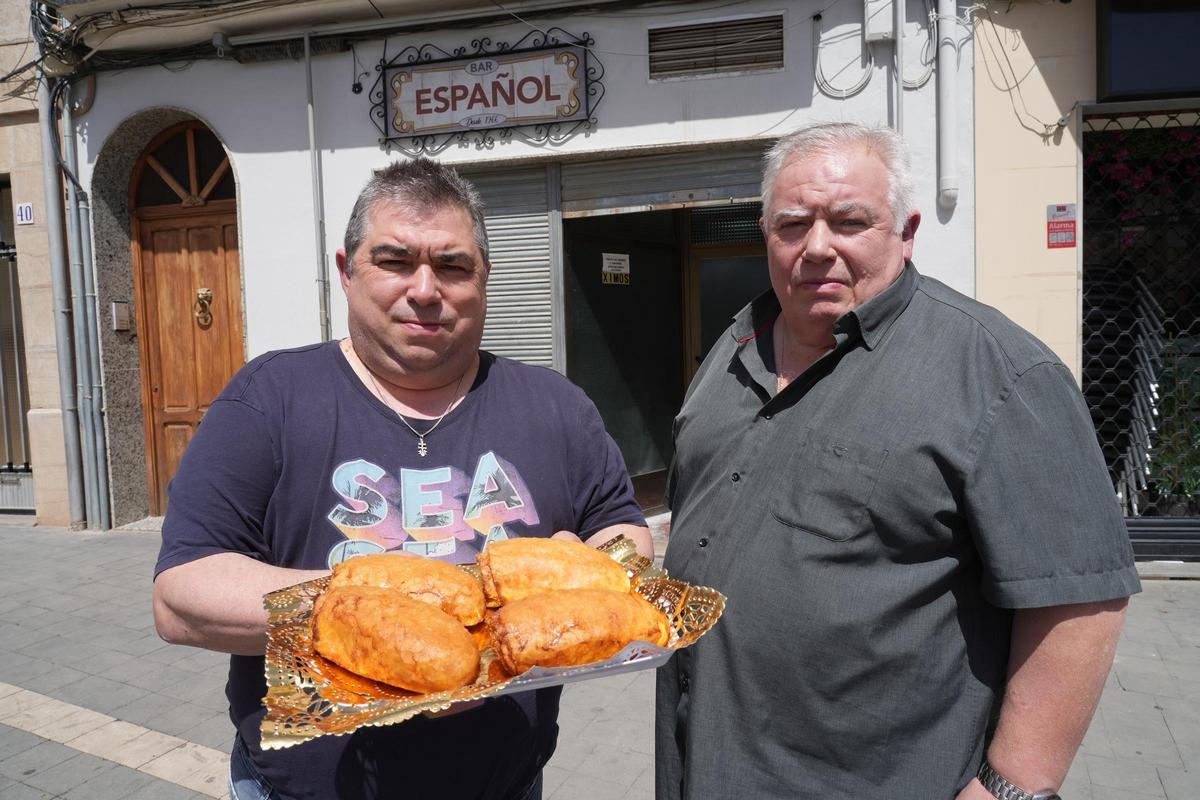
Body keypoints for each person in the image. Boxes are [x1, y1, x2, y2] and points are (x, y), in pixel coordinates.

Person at [655, 122, 1140, 800]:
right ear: (764, 232)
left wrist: (1011, 786)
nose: (817, 247)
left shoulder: (998, 372)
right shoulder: (733, 348)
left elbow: (1080, 597)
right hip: (705, 761)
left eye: (850, 222)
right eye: (792, 225)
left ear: (906, 232)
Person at [153, 158, 652, 800]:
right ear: (346, 272)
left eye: (452, 265)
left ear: (484, 278)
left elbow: (622, 531)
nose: (425, 289)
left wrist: (589, 566)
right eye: (394, 261)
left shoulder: (556, 407)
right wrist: (388, 622)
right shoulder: (269, 401)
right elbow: (182, 593)